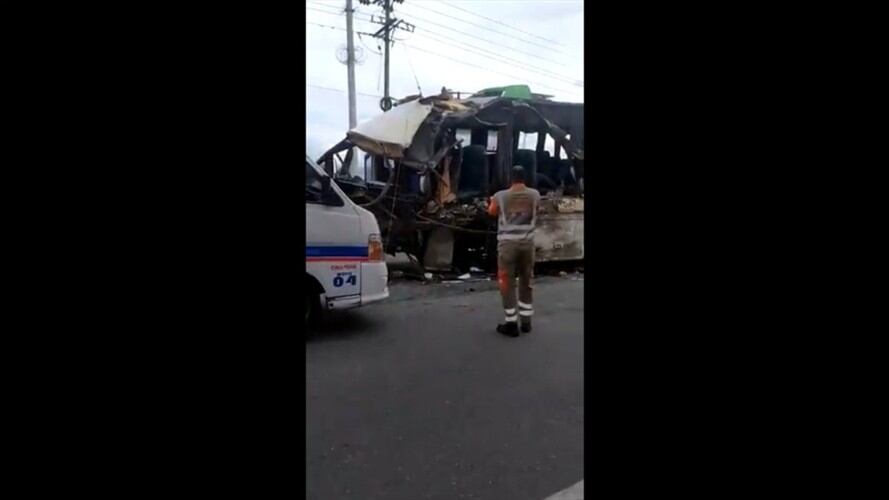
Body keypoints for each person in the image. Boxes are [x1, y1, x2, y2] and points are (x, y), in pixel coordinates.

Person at [487, 166, 541, 337]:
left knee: (507, 283)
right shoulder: (535, 195)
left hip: (507, 246)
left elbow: (492, 212)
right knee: (526, 280)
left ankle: (511, 323)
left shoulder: (500, 196)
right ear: (525, 178)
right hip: (527, 245)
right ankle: (526, 323)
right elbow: (537, 210)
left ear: (511, 179)